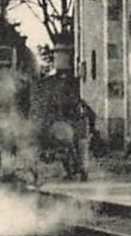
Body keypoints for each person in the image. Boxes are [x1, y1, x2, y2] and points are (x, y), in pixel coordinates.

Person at [31, 36, 94, 181]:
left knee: (77, 148)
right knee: (73, 148)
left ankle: (79, 171)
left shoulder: (74, 83)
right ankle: (75, 172)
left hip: (76, 123)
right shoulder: (50, 84)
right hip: (70, 123)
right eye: (58, 54)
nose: (60, 57)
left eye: (63, 54)